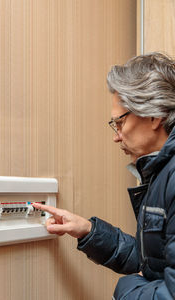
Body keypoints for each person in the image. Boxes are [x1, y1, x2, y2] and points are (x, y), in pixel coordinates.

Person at [33, 52, 175, 299]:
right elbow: (152, 265)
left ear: (155, 116)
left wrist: (125, 288)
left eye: (119, 123)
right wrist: (88, 231)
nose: (116, 136)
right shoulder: (161, 173)